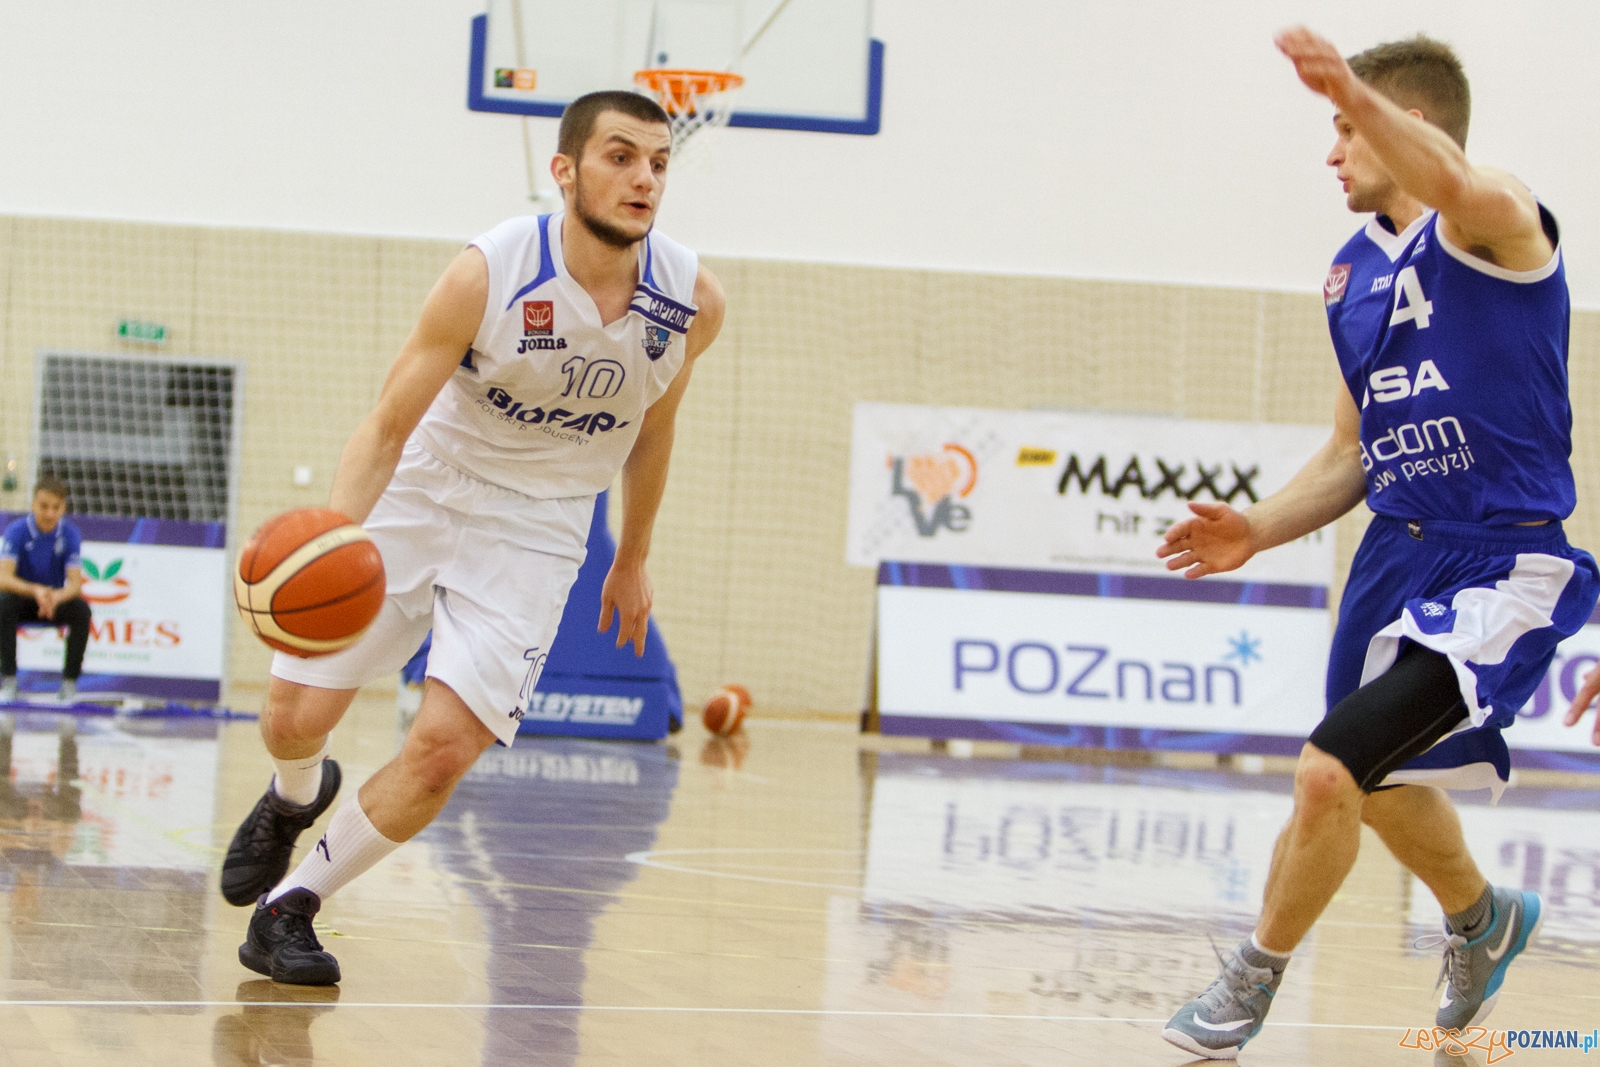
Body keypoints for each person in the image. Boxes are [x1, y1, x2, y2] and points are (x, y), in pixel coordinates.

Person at [1155, 28, 1598, 1059]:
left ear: (1406, 127)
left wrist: (1353, 86)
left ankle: (1246, 981)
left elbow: (1448, 174)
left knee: (1326, 772)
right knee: (1383, 778)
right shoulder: (1348, 275)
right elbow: (1355, 451)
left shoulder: (1495, 222)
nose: (1331, 151)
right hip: (1392, 556)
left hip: (1499, 559)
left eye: (1344, 129)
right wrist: (1257, 526)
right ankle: (1483, 918)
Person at [220, 90, 725, 985]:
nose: (643, 176)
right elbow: (385, 426)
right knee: (293, 716)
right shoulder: (488, 272)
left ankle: (287, 907)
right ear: (564, 169)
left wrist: (633, 556)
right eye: (620, 155)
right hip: (427, 488)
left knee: (447, 746)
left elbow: (655, 429)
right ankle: (295, 792)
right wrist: (336, 537)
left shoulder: (690, 302)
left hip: (538, 528)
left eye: (657, 161)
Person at [0, 478, 92, 704]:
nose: (49, 513)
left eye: (56, 507)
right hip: (23, 600)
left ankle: (69, 685)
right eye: (44, 506)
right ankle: (9, 682)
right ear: (32, 504)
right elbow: (3, 578)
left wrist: (54, 596)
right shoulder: (17, 531)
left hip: (52, 603)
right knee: (3, 603)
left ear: (63, 508)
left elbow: (75, 584)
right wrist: (36, 591)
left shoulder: (70, 534)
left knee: (82, 611)